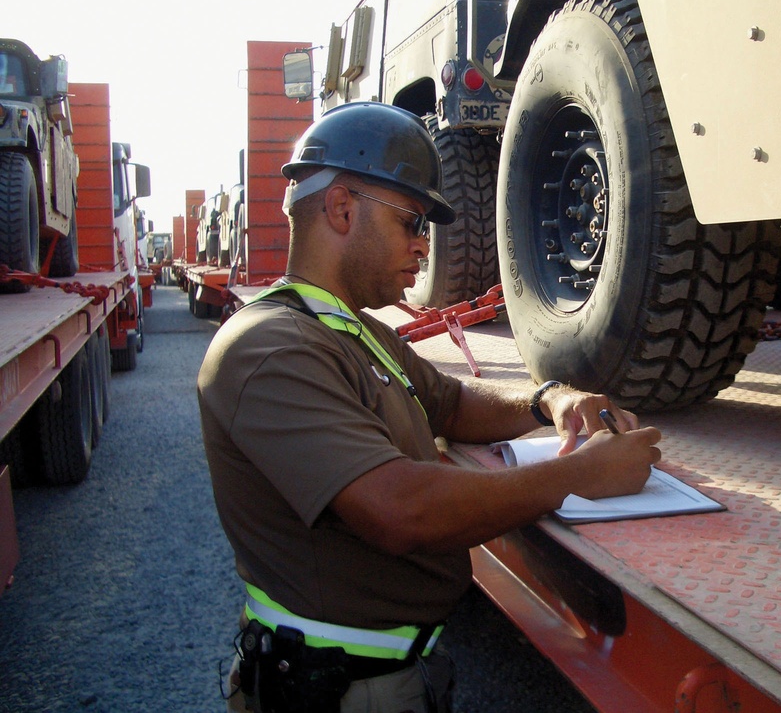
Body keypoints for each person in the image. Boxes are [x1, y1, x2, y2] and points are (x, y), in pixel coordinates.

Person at [197, 102, 662, 713]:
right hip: (329, 690)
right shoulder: (270, 348)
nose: (424, 246)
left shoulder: (353, 331)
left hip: (378, 675)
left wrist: (550, 400)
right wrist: (578, 475)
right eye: (413, 221)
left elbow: (452, 403)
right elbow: (397, 508)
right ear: (341, 208)